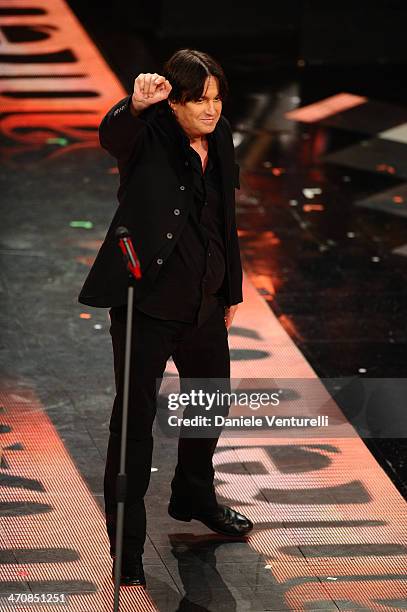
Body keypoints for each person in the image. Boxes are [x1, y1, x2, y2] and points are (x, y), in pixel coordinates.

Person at [78, 49, 253, 587]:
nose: (211, 110)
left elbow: (224, 217)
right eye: (200, 100)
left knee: (210, 400)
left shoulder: (219, 135)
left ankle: (193, 493)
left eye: (217, 99)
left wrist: (229, 292)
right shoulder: (146, 132)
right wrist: (133, 105)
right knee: (131, 430)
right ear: (174, 101)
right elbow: (113, 136)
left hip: (203, 300)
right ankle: (126, 550)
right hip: (147, 302)